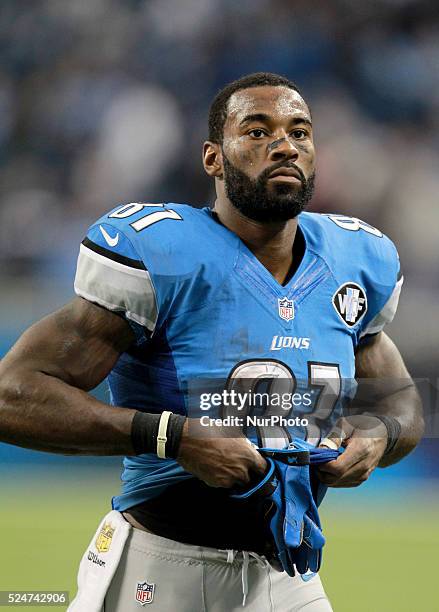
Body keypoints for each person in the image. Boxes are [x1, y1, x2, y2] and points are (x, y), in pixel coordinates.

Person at [0, 72, 423, 611]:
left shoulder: (354, 262)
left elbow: (400, 401)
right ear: (213, 159)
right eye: (257, 131)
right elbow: (11, 392)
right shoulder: (165, 253)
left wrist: (378, 435)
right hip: (159, 565)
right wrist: (172, 436)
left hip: (288, 573)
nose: (284, 145)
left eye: (299, 131)